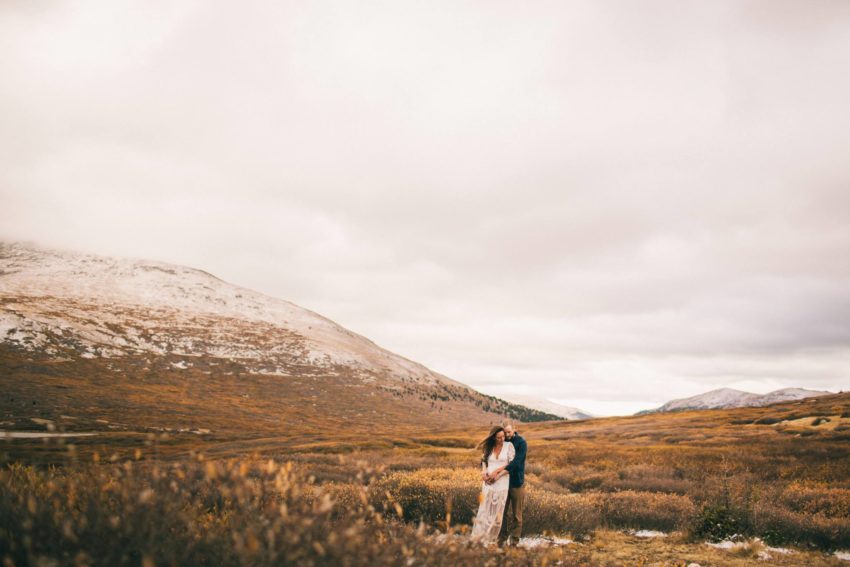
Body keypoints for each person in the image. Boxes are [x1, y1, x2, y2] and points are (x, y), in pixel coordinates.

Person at [470, 425, 515, 546]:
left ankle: (490, 541)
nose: (502, 439)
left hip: (501, 484)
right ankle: (478, 540)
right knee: (484, 512)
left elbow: (511, 466)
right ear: (493, 437)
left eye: (503, 436)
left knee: (496, 515)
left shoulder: (509, 446)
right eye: (499, 437)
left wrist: (498, 474)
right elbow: (484, 462)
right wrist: (484, 474)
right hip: (488, 484)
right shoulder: (488, 447)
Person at [488, 420, 527, 546]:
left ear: (515, 429)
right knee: (501, 513)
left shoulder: (521, 443)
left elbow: (516, 463)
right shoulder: (502, 441)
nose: (507, 435)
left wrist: (499, 473)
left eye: (509, 432)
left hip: (516, 483)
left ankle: (514, 542)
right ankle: (501, 539)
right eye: (505, 433)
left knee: (517, 515)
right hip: (502, 485)